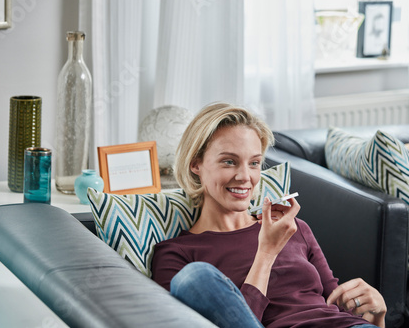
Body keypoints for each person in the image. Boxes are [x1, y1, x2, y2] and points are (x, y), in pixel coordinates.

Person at [151, 103, 387, 328]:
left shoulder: (292, 228)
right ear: (196, 164)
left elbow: (338, 307)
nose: (245, 177)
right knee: (194, 277)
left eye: (254, 163)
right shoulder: (176, 253)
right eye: (229, 162)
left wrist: (378, 314)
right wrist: (266, 252)